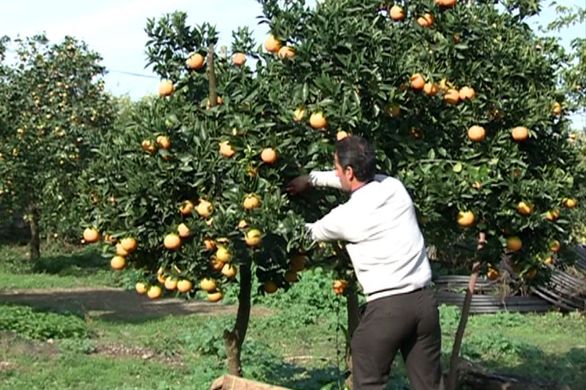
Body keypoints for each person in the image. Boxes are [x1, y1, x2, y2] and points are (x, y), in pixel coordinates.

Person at [286, 135, 442, 390]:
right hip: (425, 304)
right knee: (430, 385)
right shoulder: (394, 187)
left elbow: (303, 234)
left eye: (337, 168)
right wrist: (311, 179)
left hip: (388, 309)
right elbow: (356, 182)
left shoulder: (346, 217)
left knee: (368, 381)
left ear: (349, 171)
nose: (335, 173)